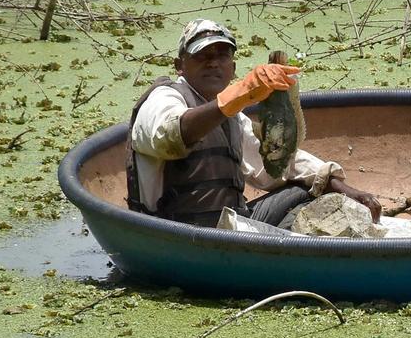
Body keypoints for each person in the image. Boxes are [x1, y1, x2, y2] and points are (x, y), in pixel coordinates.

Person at [126, 18, 381, 228]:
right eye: (202, 55)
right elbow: (172, 135)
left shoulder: (232, 115)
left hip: (230, 226)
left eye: (222, 55)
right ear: (180, 65)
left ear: (233, 67)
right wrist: (238, 95)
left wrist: (345, 188)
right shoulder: (164, 98)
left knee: (309, 188)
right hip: (174, 233)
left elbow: (274, 167)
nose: (213, 62)